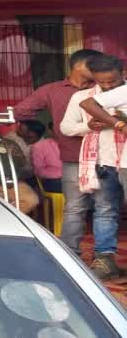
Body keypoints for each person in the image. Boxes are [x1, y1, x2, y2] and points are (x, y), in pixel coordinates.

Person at [13, 49, 101, 255]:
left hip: (105, 156)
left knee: (104, 210)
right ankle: (70, 254)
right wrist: (56, 114)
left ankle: (103, 258)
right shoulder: (52, 90)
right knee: (76, 209)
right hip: (73, 158)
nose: (100, 70)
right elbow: (21, 111)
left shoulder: (101, 88)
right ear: (80, 66)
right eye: (95, 65)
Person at [59, 53, 126, 280]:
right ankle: (105, 260)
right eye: (102, 82)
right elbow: (67, 128)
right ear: (94, 78)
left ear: (122, 75)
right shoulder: (83, 96)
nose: (107, 86)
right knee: (105, 211)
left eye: (112, 81)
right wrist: (89, 126)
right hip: (102, 162)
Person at [21, 119, 62, 193]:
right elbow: (39, 171)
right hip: (52, 181)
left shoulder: (72, 144)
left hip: (71, 179)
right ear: (50, 131)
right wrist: (61, 174)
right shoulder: (39, 147)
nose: (61, 132)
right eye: (58, 130)